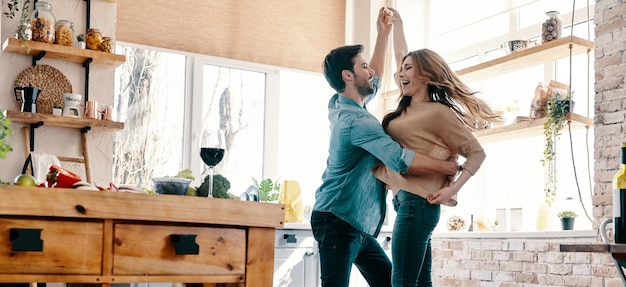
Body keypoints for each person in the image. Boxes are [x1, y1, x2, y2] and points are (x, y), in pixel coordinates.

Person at [311, 7, 459, 287]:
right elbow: (400, 160)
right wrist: (447, 166)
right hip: (336, 220)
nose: (371, 71)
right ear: (347, 75)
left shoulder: (341, 102)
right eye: (363, 66)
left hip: (358, 224)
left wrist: (383, 33)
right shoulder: (358, 122)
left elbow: (372, 80)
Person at [372, 7, 504, 287]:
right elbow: (401, 55)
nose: (401, 72)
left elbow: (477, 152)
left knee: (403, 282)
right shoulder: (409, 104)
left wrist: (453, 189)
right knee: (419, 283)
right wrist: (398, 25)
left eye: (408, 69)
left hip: (418, 204)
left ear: (426, 75)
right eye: (402, 69)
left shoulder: (438, 112)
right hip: (407, 203)